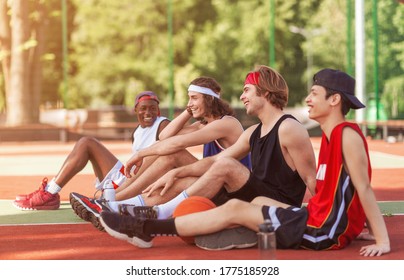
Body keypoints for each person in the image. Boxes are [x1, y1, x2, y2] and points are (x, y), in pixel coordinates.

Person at [99, 68, 391, 257]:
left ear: (335, 100)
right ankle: (136, 210)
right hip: (305, 214)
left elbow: (357, 187)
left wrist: (381, 239)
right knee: (212, 184)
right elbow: (338, 190)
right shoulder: (328, 136)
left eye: (314, 94)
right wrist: (178, 170)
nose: (307, 99)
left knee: (233, 197)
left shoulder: (335, 134)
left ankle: (147, 223)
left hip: (319, 227)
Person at [109, 65, 317, 223]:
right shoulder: (253, 131)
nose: (242, 96)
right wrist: (177, 172)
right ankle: (125, 208)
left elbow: (310, 178)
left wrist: (324, 219)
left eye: (246, 90)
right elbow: (207, 156)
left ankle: (142, 208)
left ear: (265, 91)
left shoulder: (286, 127)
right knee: (182, 181)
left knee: (215, 164)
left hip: (277, 206)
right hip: (245, 194)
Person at [70, 76, 252, 230]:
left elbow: (176, 143)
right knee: (171, 170)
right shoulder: (203, 123)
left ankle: (112, 201)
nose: (189, 104)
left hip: (233, 189)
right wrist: (189, 111)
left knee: (172, 154)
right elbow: (165, 136)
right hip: (214, 184)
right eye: (189, 99)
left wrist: (140, 154)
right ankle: (115, 205)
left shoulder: (227, 123)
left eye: (194, 98)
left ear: (209, 99)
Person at [13, 91, 170, 211]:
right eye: (143, 108)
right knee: (85, 143)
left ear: (158, 111)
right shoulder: (137, 132)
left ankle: (49, 194)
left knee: (87, 143)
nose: (148, 113)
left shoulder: (163, 124)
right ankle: (50, 192)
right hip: (128, 180)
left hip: (139, 186)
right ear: (136, 110)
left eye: (153, 109)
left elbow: (171, 148)